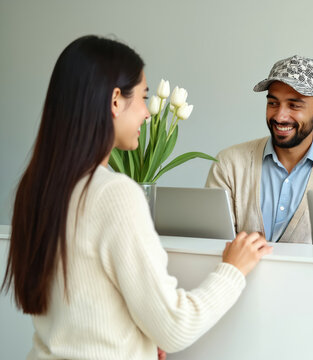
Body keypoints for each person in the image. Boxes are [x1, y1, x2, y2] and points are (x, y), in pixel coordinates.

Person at [1, 35, 272, 359]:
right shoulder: (114, 193)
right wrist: (233, 269)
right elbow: (175, 327)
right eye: (143, 96)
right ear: (116, 100)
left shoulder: (35, 187)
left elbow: (83, 308)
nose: (147, 113)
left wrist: (137, 344)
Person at [205, 55, 313, 244]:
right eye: (273, 103)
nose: (280, 116)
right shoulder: (229, 164)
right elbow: (211, 245)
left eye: (294, 105)